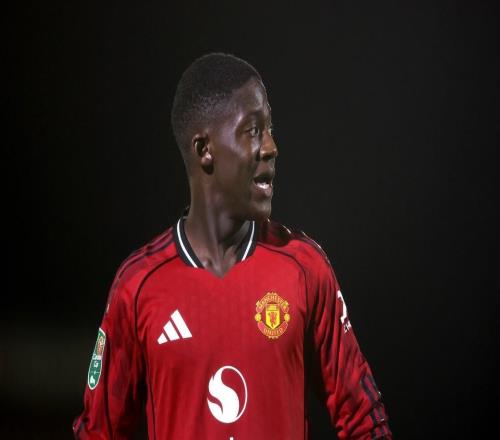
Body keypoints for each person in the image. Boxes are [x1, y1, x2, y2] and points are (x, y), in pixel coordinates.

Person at [73, 53, 392, 439]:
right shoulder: (138, 286)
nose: (271, 147)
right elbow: (98, 433)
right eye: (253, 131)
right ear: (204, 150)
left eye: (270, 129)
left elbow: (365, 421)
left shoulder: (304, 267)